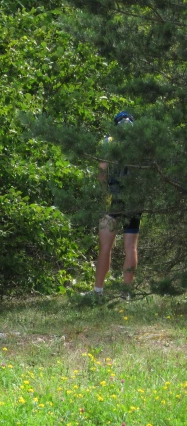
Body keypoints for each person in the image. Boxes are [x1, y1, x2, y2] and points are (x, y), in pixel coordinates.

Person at [92, 111, 140, 299]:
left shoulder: (108, 141)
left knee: (105, 246)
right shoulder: (142, 144)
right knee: (131, 247)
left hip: (114, 198)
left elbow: (102, 170)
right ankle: (126, 294)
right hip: (136, 199)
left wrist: (102, 193)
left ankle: (98, 291)